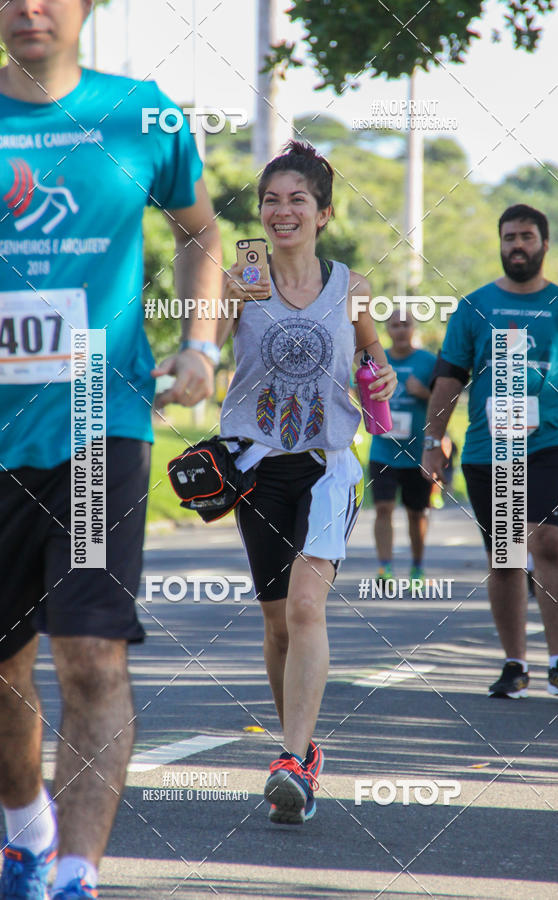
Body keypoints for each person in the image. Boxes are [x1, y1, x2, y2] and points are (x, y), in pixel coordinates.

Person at [0, 2, 221, 898]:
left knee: (90, 654)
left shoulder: (143, 115)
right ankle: (26, 832)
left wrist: (200, 345)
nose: (30, 7)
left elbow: (200, 230)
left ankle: (76, 876)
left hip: (100, 418)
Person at [217, 141, 397, 824]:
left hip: (327, 465)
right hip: (255, 466)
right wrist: (218, 307)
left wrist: (380, 376)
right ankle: (301, 752)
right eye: (271, 200)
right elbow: (206, 346)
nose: (282, 211)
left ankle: (291, 760)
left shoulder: (351, 287)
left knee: (304, 608)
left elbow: (372, 357)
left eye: (298, 200)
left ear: (323, 214)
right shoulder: (240, 279)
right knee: (275, 623)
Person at [423, 204, 558, 701]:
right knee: (506, 556)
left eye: (526, 236)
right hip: (491, 447)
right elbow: (448, 380)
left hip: (551, 444)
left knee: (551, 542)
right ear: (500, 244)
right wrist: (433, 443)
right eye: (509, 237)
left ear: (544, 243)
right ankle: (514, 664)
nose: (517, 245)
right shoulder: (474, 307)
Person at [368, 309, 436, 587]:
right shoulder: (377, 361)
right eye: (394, 325)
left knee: (416, 512)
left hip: (417, 451)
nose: (400, 330)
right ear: (387, 330)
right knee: (383, 508)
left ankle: (417, 567)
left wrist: (424, 393)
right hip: (383, 450)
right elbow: (357, 391)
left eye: (405, 324)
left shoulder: (428, 362)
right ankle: (385, 567)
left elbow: (446, 399)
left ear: (414, 328)